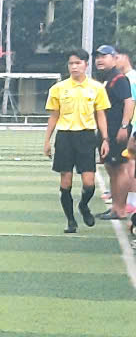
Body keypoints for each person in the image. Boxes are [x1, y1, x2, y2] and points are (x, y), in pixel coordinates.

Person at [43, 49, 110, 233]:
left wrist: (105, 139)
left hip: (86, 136)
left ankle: (83, 205)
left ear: (86, 65)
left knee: (89, 182)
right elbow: (54, 115)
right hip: (65, 136)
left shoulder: (97, 88)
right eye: (71, 63)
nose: (74, 67)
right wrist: (47, 140)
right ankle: (70, 221)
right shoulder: (58, 88)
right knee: (66, 182)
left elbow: (101, 115)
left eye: (78, 63)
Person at [98, 45, 135, 223]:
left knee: (120, 168)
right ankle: (115, 207)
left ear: (114, 58)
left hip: (116, 130)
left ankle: (120, 209)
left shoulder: (119, 78)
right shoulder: (107, 78)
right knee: (112, 168)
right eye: (98, 57)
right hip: (108, 130)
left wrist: (124, 126)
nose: (99, 60)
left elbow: (129, 102)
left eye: (104, 56)